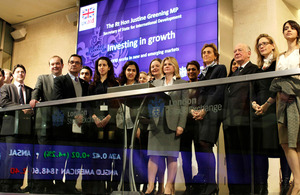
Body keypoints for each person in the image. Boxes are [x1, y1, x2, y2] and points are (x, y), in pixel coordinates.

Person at [256, 20, 300, 195]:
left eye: (291, 28)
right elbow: (276, 83)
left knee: (297, 142)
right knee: (284, 142)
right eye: (285, 29)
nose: (288, 30)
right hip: (281, 102)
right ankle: (298, 181)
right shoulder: (280, 57)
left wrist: (291, 90)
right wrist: (267, 105)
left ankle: (296, 184)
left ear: (298, 31)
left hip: (297, 100)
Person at [252, 34, 291, 194]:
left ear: (273, 45)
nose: (262, 46)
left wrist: (267, 104)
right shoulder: (258, 68)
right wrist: (254, 103)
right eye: (259, 45)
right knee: (260, 150)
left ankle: (286, 185)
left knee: (283, 148)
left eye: (265, 43)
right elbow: (253, 89)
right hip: (259, 113)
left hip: (275, 110)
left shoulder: (279, 63)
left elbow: (281, 86)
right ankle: (262, 187)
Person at [145, 56, 188, 195]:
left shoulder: (182, 83)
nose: (167, 66)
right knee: (153, 156)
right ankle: (150, 186)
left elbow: (184, 106)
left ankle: (169, 186)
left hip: (173, 125)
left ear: (175, 66)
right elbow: (149, 103)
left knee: (172, 156)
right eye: (165, 64)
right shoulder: (155, 83)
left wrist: (181, 124)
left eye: (170, 64)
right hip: (156, 124)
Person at [190, 44, 227, 194]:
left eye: (209, 52)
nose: (205, 54)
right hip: (200, 113)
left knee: (206, 144)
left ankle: (212, 184)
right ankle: (205, 181)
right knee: (200, 146)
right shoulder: (202, 73)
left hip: (212, 112)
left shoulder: (220, 68)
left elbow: (218, 92)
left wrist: (205, 110)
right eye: (203, 52)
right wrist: (195, 109)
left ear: (215, 55)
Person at [223, 43, 259, 194]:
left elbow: (256, 93)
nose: (236, 53)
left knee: (246, 159)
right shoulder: (232, 74)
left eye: (240, 50)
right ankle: (235, 191)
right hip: (229, 122)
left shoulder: (254, 70)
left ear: (249, 54)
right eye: (235, 51)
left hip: (245, 121)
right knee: (232, 161)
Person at [52, 54, 89, 193]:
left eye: (77, 63)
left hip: (80, 127)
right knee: (61, 159)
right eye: (71, 62)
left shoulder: (85, 84)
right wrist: (74, 115)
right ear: (67, 64)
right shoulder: (60, 80)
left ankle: (70, 186)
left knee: (75, 160)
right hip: (64, 127)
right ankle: (58, 187)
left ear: (80, 66)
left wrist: (83, 117)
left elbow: (87, 105)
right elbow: (59, 101)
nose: (74, 64)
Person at [29, 55, 64, 193]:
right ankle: (41, 184)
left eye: (57, 64)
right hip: (44, 123)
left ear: (62, 65)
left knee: (58, 156)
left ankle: (56, 185)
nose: (55, 66)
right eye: (52, 64)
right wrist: (34, 99)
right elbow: (36, 90)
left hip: (61, 125)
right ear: (49, 66)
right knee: (43, 155)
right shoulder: (42, 78)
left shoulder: (66, 80)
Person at [85, 56, 119, 194]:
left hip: (110, 124)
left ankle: (109, 186)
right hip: (95, 124)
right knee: (96, 156)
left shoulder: (114, 84)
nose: (102, 67)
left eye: (104, 65)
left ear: (109, 67)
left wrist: (108, 117)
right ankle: (97, 187)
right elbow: (88, 104)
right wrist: (94, 118)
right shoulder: (92, 85)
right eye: (99, 65)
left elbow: (117, 103)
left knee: (109, 156)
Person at [0, 64, 33, 193]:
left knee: (22, 158)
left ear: (25, 74)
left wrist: (30, 110)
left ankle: (17, 185)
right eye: (18, 72)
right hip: (10, 129)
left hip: (25, 129)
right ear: (13, 75)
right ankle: (6, 185)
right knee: (10, 157)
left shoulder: (30, 90)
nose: (20, 74)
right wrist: (21, 107)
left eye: (23, 72)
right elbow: (3, 102)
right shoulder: (6, 88)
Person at [180, 60, 200, 195]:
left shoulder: (203, 85)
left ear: (198, 71)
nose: (191, 72)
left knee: (200, 157)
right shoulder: (183, 87)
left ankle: (201, 185)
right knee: (185, 158)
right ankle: (189, 186)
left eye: (193, 69)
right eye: (188, 70)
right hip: (185, 127)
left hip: (199, 125)